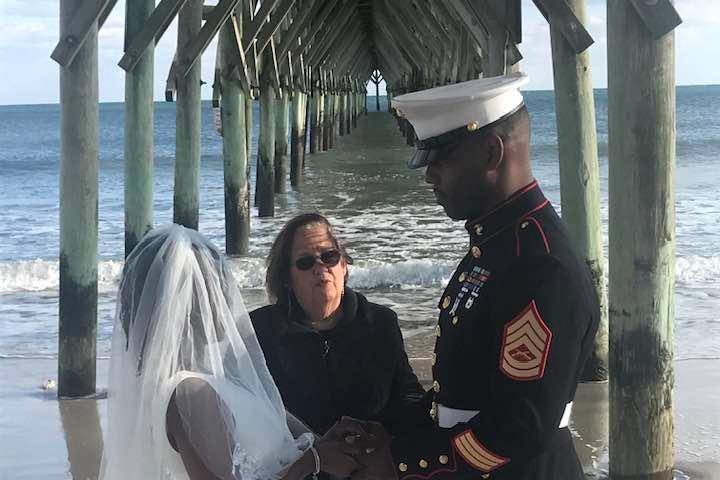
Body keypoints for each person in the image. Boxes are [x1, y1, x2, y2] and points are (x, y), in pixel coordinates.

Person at [346, 73, 601, 479]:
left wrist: (403, 463)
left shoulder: (539, 263)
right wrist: (394, 431)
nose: (429, 174)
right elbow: (472, 389)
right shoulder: (499, 243)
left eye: (441, 158)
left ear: (490, 152)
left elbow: (521, 424)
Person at [99, 225, 363, 480]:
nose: (227, 298)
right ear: (192, 305)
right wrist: (314, 460)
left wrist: (332, 442)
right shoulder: (189, 392)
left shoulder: (220, 380)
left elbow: (292, 437)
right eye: (216, 288)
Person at [249, 213, 432, 467]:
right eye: (305, 262)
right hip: (296, 467)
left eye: (330, 256)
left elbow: (406, 396)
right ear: (287, 279)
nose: (320, 267)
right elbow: (244, 411)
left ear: (344, 265)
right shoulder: (261, 330)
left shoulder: (380, 323)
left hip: (366, 467)